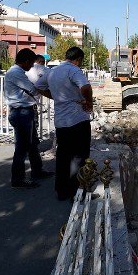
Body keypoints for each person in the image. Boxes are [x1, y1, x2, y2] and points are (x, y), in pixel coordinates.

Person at [45, 47, 93, 201]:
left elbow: (38, 86)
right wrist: (89, 102)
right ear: (78, 59)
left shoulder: (52, 71)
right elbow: (85, 87)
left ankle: (62, 191)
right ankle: (78, 192)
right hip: (77, 120)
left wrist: (58, 98)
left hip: (61, 122)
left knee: (63, 156)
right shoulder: (74, 70)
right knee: (79, 156)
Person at [5, 49, 54, 188]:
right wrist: (53, 94)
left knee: (32, 144)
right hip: (21, 113)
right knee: (22, 148)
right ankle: (18, 180)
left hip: (25, 112)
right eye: (31, 63)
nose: (32, 66)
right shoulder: (16, 73)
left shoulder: (18, 72)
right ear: (26, 61)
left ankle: (37, 171)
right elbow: (32, 89)